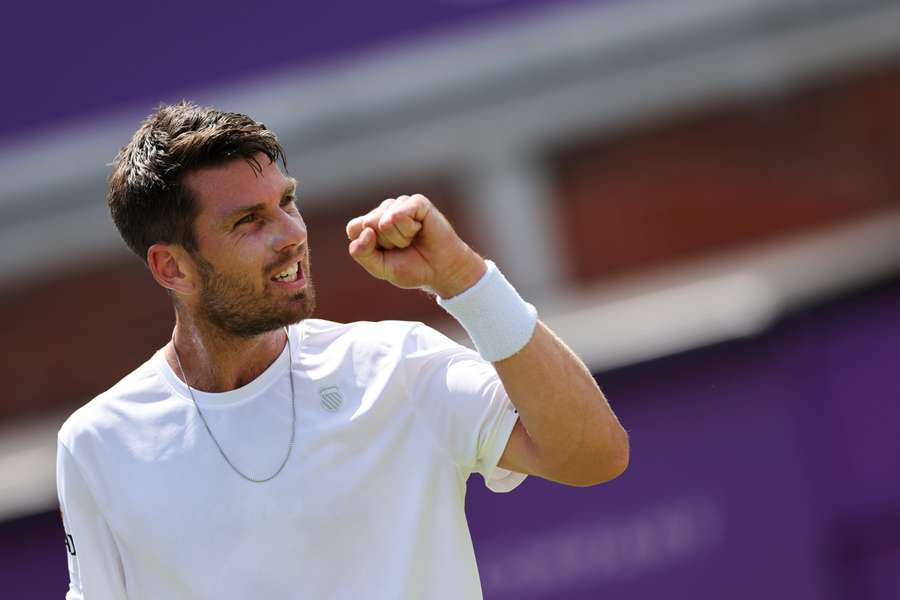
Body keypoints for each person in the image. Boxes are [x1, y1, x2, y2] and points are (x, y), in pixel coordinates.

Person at [56, 101, 628, 600]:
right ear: (171, 267)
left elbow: (594, 454)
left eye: (287, 201)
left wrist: (466, 280)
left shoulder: (397, 363)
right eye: (249, 221)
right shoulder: (96, 445)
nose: (291, 233)